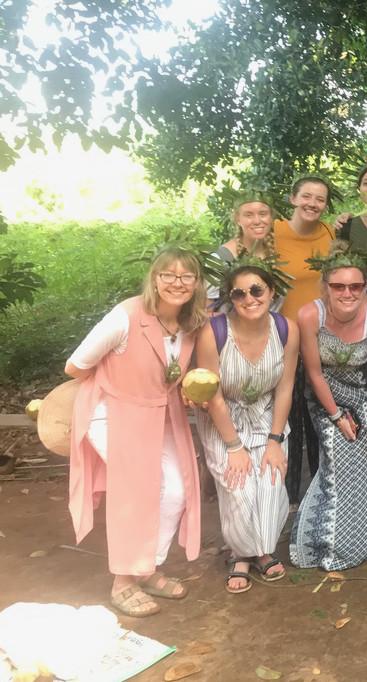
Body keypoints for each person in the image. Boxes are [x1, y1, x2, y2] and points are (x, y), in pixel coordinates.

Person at [66, 246, 207, 617]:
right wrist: (121, 387)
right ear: (154, 278)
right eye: (168, 275)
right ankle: (123, 581)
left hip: (159, 415)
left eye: (186, 276)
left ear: (196, 283)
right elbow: (76, 366)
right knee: (140, 489)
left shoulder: (190, 323)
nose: (177, 283)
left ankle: (147, 568)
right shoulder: (126, 316)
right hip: (112, 412)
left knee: (177, 489)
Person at [194, 257, 299, 592]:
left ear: (271, 292)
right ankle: (242, 554)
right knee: (239, 486)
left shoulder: (286, 329)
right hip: (222, 418)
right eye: (239, 294)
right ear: (230, 299)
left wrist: (274, 439)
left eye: (257, 290)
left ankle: (261, 549)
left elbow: (285, 388)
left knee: (269, 484)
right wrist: (234, 446)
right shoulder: (215, 332)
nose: (249, 299)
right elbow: (212, 395)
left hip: (266, 415)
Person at [289, 247, 367, 570]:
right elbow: (314, 373)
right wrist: (336, 416)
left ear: (366, 287)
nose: (347, 293)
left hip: (362, 394)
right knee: (339, 458)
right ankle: (328, 539)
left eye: (355, 286)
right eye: (338, 286)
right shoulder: (311, 316)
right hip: (326, 400)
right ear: (325, 287)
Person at [273, 175, 335, 503]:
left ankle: (317, 495)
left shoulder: (329, 233)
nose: (313, 203)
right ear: (293, 198)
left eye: (320, 199)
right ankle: (287, 496)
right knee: (287, 416)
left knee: (316, 415)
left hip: (318, 337)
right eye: (307, 196)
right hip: (281, 338)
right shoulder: (273, 231)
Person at [207, 195, 282, 312]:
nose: (257, 221)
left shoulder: (278, 254)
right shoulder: (219, 259)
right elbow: (207, 311)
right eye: (248, 215)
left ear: (271, 217)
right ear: (238, 219)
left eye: (263, 214)